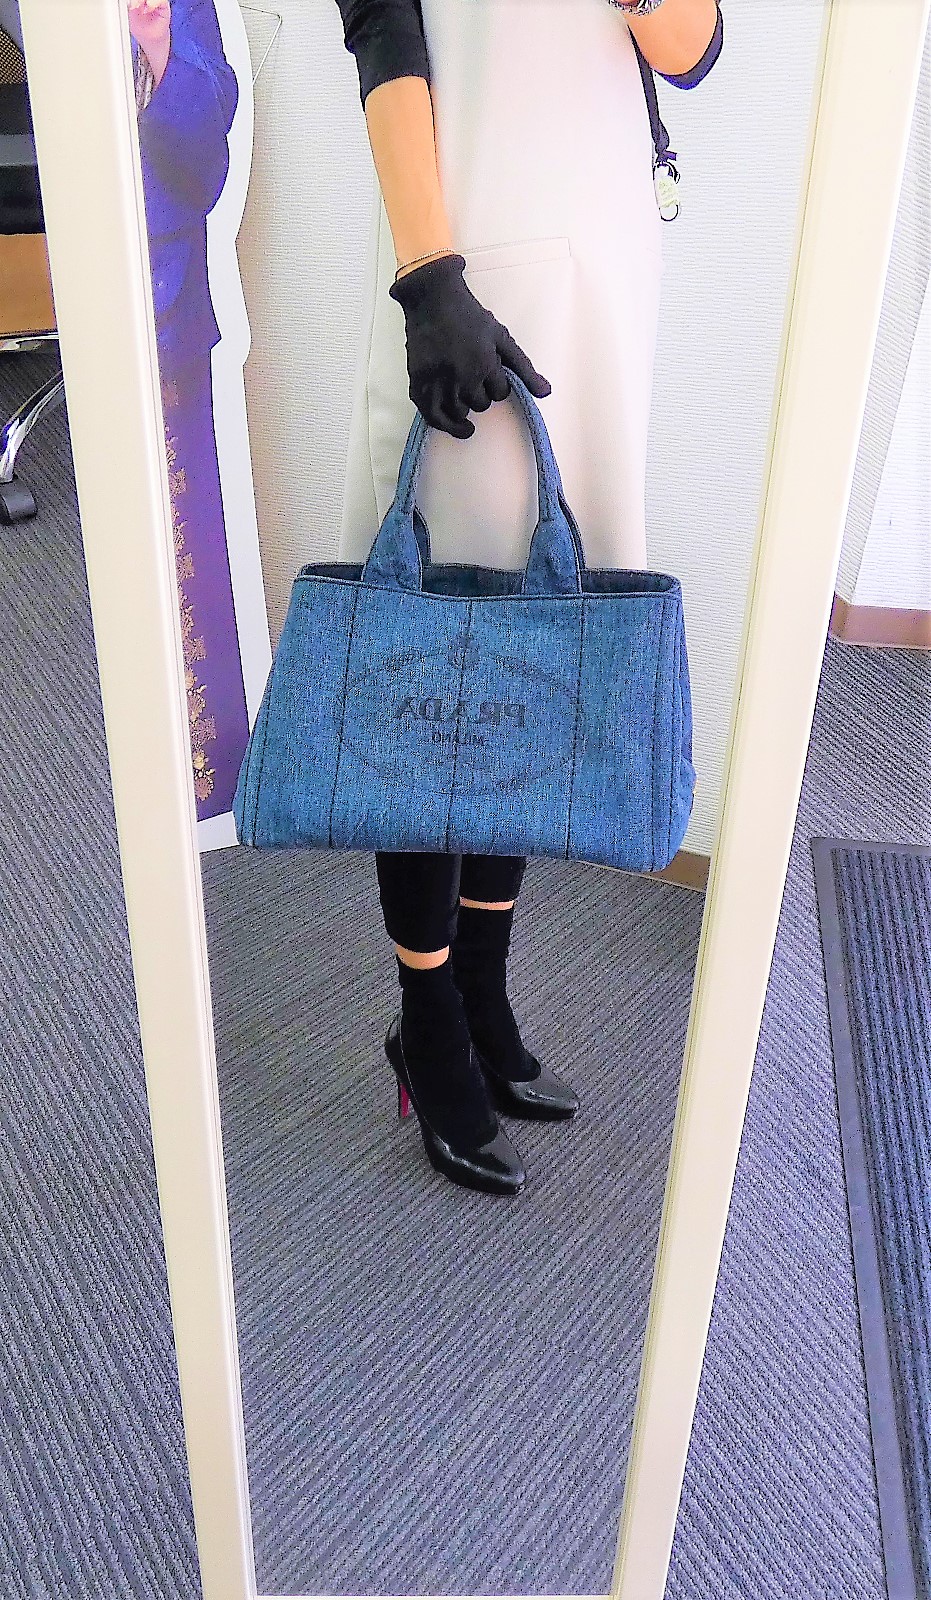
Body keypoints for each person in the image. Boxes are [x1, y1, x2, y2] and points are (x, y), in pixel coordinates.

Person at [332, 0, 724, 1196]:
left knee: (538, 652)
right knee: (435, 665)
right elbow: (382, 31)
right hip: (466, 271)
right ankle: (426, 1016)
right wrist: (426, 279)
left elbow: (692, 51)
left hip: (600, 287)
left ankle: (482, 990)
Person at [129, 0, 251, 821]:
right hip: (61, 252)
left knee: (185, 554)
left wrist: (157, 46)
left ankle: (202, 788)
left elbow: (204, 149)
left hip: (160, 303)